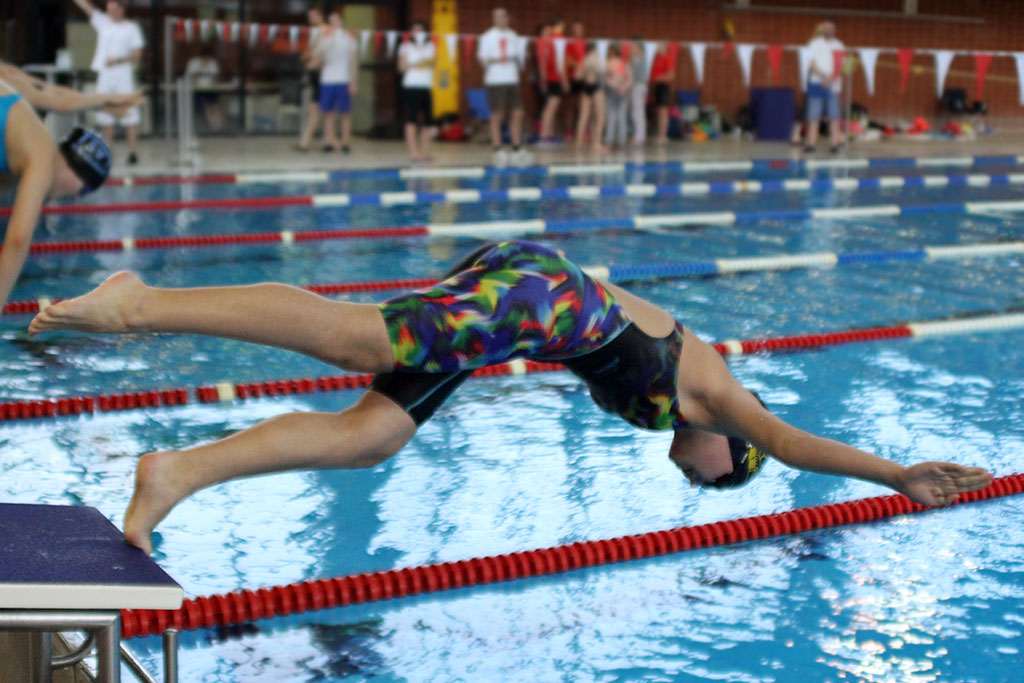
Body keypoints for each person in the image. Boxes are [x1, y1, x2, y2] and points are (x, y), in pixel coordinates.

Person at [28, 240, 993, 554]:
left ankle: (177, 473)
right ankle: (138, 303)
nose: (698, 482)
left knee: (371, 436)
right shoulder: (718, 401)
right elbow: (791, 441)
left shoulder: (684, 410)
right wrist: (896, 474)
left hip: (530, 310)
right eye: (715, 481)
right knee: (362, 336)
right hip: (541, 299)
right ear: (730, 454)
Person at [0, 76, 114, 313]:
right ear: (76, 171)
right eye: (84, 190)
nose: (75, 198)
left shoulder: (22, 152)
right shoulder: (43, 156)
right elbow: (18, 240)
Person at [72, 0, 144, 165]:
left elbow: (137, 53)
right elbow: (87, 7)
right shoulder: (103, 22)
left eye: (113, 10)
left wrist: (118, 60)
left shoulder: (131, 28)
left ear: (121, 9)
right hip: (105, 74)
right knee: (105, 112)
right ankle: (107, 151)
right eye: (108, 10)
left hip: (123, 74)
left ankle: (133, 152)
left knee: (129, 112)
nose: (110, 13)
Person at [477, 6, 528, 166]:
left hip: (512, 79)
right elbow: (483, 59)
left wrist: (518, 60)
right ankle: (497, 148)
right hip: (496, 80)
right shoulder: (487, 36)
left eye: (502, 16)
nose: (499, 19)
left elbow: (520, 59)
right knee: (497, 114)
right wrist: (500, 59)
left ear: (507, 18)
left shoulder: (514, 36)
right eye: (496, 16)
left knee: (518, 112)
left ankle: (516, 147)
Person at [312, 7, 358, 153]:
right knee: (327, 112)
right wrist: (321, 43)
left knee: (345, 112)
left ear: (342, 22)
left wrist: (353, 82)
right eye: (331, 21)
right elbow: (317, 59)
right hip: (327, 79)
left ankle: (345, 141)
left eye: (336, 20)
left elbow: (353, 61)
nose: (334, 23)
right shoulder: (324, 38)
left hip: (343, 79)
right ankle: (329, 141)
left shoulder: (349, 38)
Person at [397, 20, 436, 163]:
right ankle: (413, 152)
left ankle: (424, 152)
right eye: (415, 30)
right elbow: (401, 67)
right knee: (411, 119)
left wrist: (424, 61)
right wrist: (417, 62)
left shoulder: (431, 46)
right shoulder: (405, 46)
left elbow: (433, 64)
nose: (418, 33)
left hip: (426, 86)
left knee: (428, 121)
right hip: (411, 86)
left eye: (421, 30)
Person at [803, 20, 845, 154]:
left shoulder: (839, 45)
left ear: (834, 30)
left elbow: (841, 66)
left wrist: (831, 78)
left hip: (834, 86)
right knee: (813, 116)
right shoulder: (814, 44)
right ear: (822, 30)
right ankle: (811, 144)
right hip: (817, 83)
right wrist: (823, 76)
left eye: (831, 28)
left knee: (834, 116)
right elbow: (810, 63)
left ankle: (834, 144)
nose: (828, 30)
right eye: (826, 28)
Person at [296, 5, 327, 152]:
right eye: (309, 16)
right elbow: (309, 52)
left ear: (320, 15)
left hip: (322, 75)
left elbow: (322, 53)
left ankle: (308, 141)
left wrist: (312, 60)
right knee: (314, 109)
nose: (311, 19)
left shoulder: (326, 31)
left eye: (313, 15)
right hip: (314, 74)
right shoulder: (314, 32)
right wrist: (306, 58)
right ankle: (307, 140)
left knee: (320, 110)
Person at [537, 18, 568, 143]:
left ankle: (548, 133)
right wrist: (563, 80)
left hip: (552, 77)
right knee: (551, 107)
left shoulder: (547, 42)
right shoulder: (552, 41)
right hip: (553, 78)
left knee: (551, 107)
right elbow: (557, 62)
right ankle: (544, 135)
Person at [185, 43, 224, 132]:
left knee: (215, 106)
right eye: (206, 58)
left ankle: (218, 126)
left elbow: (216, 77)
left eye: (209, 58)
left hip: (210, 89)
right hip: (198, 90)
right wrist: (201, 67)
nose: (207, 60)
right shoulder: (194, 63)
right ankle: (212, 126)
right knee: (207, 107)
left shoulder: (213, 63)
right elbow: (190, 77)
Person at [573, 43, 604, 153]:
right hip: (596, 87)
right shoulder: (596, 58)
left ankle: (578, 143)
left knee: (583, 116)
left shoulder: (583, 60)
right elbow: (602, 72)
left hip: (585, 87)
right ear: (594, 50)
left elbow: (577, 76)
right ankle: (597, 143)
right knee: (600, 116)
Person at [603, 43, 632, 150]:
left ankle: (609, 142)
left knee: (611, 117)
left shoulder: (609, 63)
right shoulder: (624, 64)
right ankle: (622, 142)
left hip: (613, 91)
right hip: (623, 92)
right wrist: (623, 88)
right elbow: (630, 80)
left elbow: (605, 79)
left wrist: (615, 86)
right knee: (622, 117)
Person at [649, 42, 675, 144]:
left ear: (664, 47)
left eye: (659, 45)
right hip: (657, 86)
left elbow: (671, 75)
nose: (657, 47)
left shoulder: (667, 58)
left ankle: (663, 136)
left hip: (663, 86)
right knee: (659, 111)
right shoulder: (657, 58)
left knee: (663, 111)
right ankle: (660, 134)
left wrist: (660, 78)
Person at [629, 38, 648, 145]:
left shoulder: (636, 59)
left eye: (633, 47)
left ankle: (639, 137)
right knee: (638, 112)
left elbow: (633, 76)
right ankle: (639, 135)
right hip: (639, 86)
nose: (631, 49)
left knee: (637, 113)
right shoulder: (642, 59)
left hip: (638, 86)